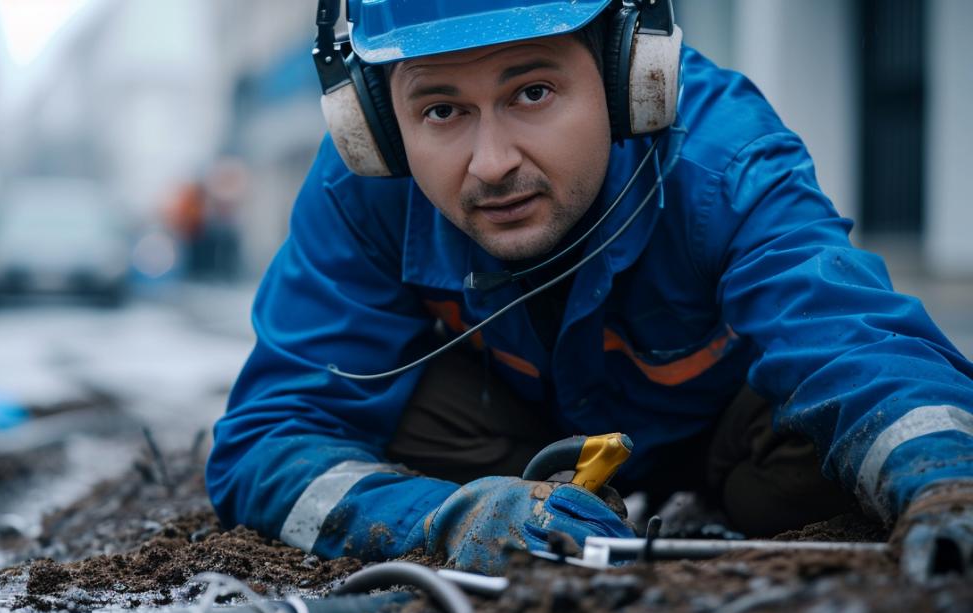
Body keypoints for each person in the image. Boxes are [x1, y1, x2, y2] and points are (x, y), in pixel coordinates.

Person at [207, 0, 973, 578]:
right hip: (506, 459)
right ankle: (516, 513)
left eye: (532, 92)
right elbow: (266, 440)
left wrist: (945, 480)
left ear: (628, 80)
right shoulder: (361, 191)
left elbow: (850, 336)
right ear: (372, 123)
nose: (492, 161)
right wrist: (437, 521)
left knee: (824, 446)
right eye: (442, 109)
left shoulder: (721, 155)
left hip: (727, 453)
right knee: (381, 421)